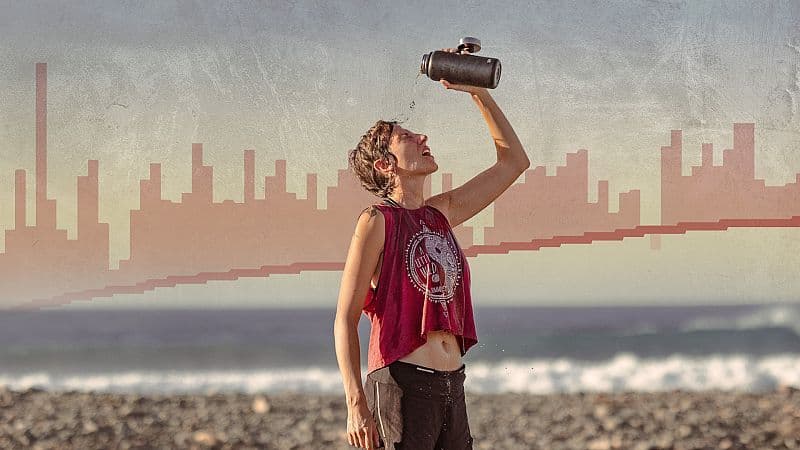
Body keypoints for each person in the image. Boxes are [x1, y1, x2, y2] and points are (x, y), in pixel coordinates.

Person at [334, 47, 530, 450]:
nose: (422, 137)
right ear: (385, 165)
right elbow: (345, 318)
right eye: (406, 137)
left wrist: (479, 93)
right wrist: (356, 404)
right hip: (402, 383)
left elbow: (514, 162)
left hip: (451, 386)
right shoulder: (376, 221)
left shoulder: (440, 213)